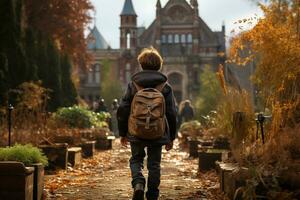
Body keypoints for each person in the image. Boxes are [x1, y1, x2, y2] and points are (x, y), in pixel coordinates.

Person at [117, 47, 177, 200]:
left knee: (136, 159)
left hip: (136, 130)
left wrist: (123, 133)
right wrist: (171, 137)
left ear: (141, 65)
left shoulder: (133, 85)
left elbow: (123, 109)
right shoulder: (165, 86)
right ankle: (152, 195)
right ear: (159, 66)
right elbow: (171, 112)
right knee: (154, 164)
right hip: (158, 131)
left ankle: (138, 183)